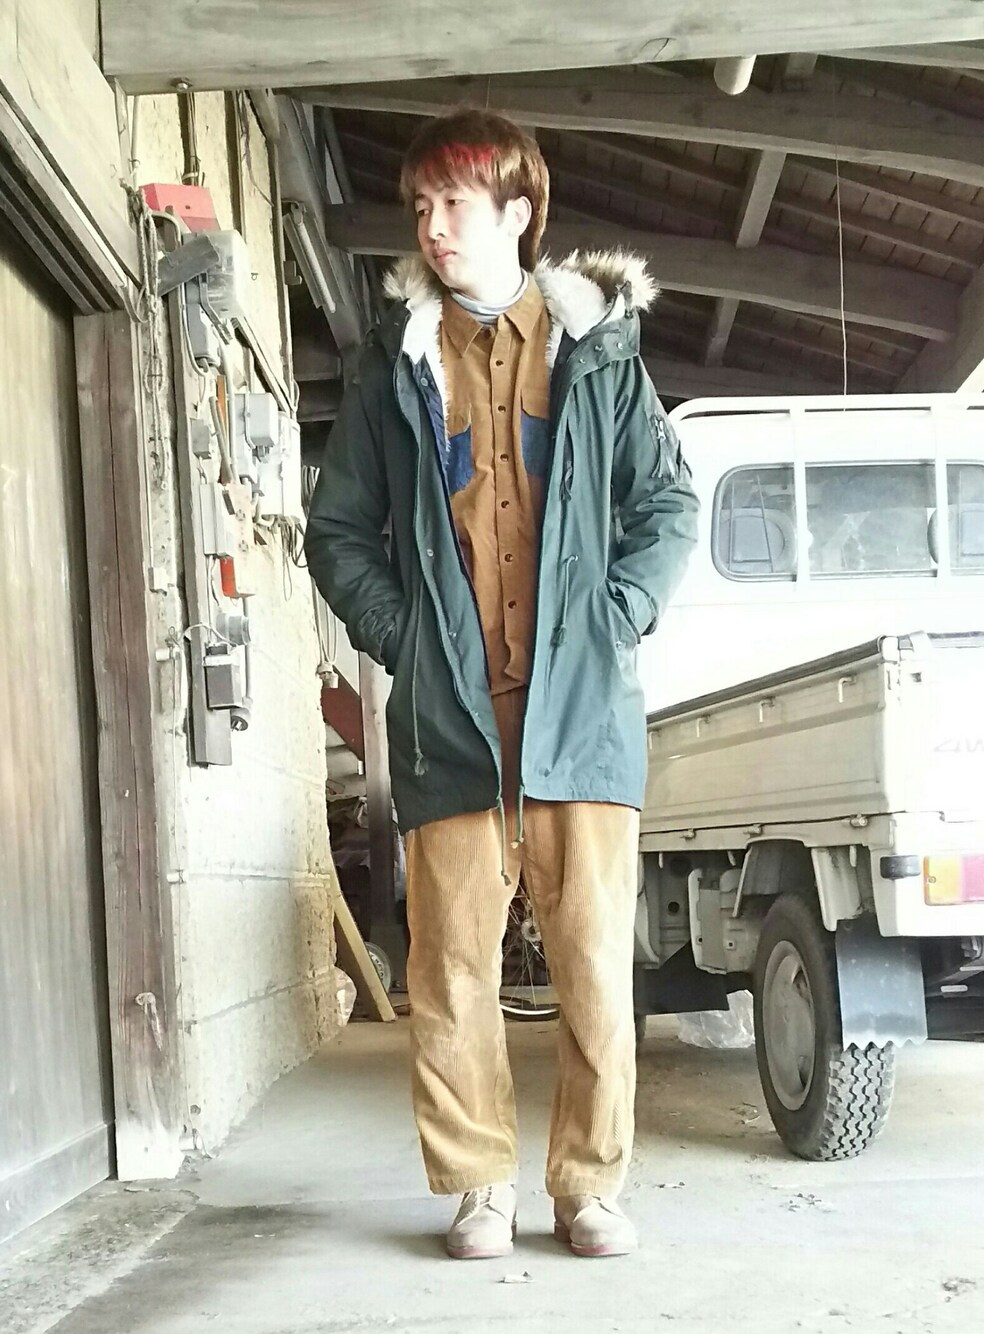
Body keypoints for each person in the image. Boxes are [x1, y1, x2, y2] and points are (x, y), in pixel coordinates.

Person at [306, 109, 699, 1260]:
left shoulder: (601, 354)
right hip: (451, 718)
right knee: (450, 968)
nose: (430, 226)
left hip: (582, 715)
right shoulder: (392, 367)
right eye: (419, 206)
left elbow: (667, 504)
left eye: (453, 203)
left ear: (518, 212)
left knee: (592, 965)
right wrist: (405, 638)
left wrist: (618, 616)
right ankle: (480, 1184)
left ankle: (587, 1186)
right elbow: (339, 531)